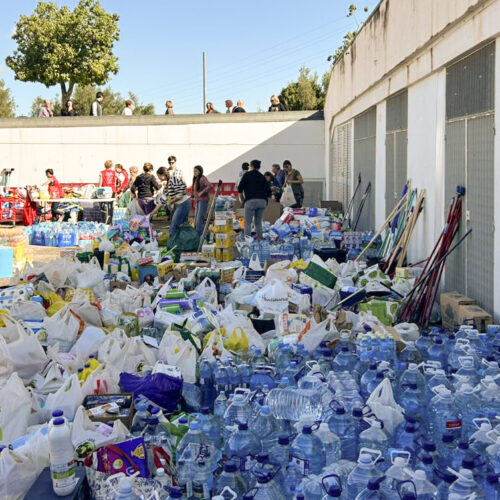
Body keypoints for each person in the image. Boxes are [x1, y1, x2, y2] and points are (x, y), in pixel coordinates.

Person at [238, 159, 271, 240]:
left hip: (250, 201)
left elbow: (239, 188)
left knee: (248, 222)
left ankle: (247, 241)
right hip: (262, 201)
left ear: (251, 166)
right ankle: (260, 240)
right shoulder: (262, 176)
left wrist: (242, 197)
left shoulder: (247, 175)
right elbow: (269, 191)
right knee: (258, 223)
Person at [165, 159, 191, 239]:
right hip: (178, 202)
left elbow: (180, 191)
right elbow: (168, 192)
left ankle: (172, 242)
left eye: (172, 162)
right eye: (169, 162)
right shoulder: (167, 172)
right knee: (182, 223)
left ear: (175, 162)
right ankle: (184, 241)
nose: (171, 164)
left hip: (182, 201)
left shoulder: (178, 173)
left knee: (175, 223)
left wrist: (170, 201)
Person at [192, 166, 211, 234]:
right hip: (198, 201)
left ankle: (201, 236)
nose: (194, 172)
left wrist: (201, 192)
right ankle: (198, 235)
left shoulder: (202, 178)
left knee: (199, 220)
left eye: (196, 171)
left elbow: (210, 186)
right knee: (196, 220)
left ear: (200, 171)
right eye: (194, 171)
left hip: (203, 201)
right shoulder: (196, 179)